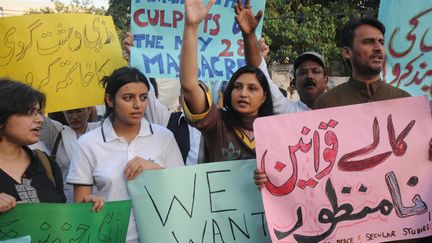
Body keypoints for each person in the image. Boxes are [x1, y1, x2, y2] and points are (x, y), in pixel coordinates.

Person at [67, 67, 184, 243]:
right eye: (128, 98)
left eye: (143, 97)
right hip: (109, 237)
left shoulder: (164, 137)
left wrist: (156, 170)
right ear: (110, 100)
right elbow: (80, 206)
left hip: (162, 236)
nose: (138, 105)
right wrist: (89, 204)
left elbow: (183, 190)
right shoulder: (88, 143)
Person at [179, 0, 274, 163]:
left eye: (252, 89)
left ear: (265, 96)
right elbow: (189, 87)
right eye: (237, 87)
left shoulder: (277, 131)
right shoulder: (217, 124)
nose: (243, 93)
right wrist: (191, 26)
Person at [123, 32, 202, 165]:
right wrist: (135, 58)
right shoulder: (166, 120)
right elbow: (148, 93)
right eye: (188, 92)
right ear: (180, 98)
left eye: (199, 92)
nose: (195, 97)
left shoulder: (218, 126)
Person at [236, 0, 327, 110]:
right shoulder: (286, 111)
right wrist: (249, 35)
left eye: (315, 71)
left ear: (326, 80)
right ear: (293, 82)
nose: (309, 76)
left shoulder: (343, 110)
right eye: (302, 72)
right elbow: (258, 70)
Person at [0, 79, 66, 213]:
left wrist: (84, 210)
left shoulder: (46, 164)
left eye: (39, 112)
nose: (40, 119)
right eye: (30, 113)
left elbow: (61, 216)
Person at [314, 17, 410, 108]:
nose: (378, 48)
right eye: (368, 42)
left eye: (381, 42)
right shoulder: (327, 104)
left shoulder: (404, 101)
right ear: (347, 52)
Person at [35, 107, 100, 203]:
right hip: (67, 202)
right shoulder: (57, 133)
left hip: (100, 200)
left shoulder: (101, 131)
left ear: (90, 110)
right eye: (69, 112)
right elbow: (36, 114)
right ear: (63, 112)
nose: (74, 116)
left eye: (79, 111)